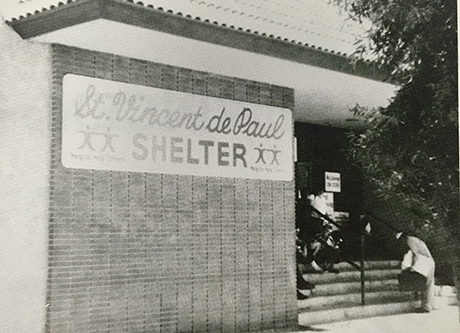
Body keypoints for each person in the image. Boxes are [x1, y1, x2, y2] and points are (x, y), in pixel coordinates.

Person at [396, 232, 435, 313]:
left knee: (427, 285)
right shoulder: (414, 239)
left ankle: (427, 306)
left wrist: (413, 267)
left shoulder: (410, 240)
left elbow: (416, 255)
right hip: (427, 262)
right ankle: (426, 306)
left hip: (426, 263)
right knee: (428, 285)